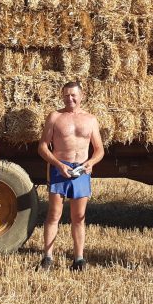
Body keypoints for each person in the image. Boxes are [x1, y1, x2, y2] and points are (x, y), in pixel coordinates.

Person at [37, 81, 105, 271]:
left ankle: (79, 259)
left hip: (81, 170)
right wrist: (58, 165)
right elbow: (42, 146)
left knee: (79, 217)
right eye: (66, 95)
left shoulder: (91, 120)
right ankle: (48, 257)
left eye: (73, 95)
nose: (70, 99)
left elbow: (99, 150)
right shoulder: (55, 117)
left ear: (81, 96)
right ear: (62, 96)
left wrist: (90, 163)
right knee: (54, 214)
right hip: (60, 169)